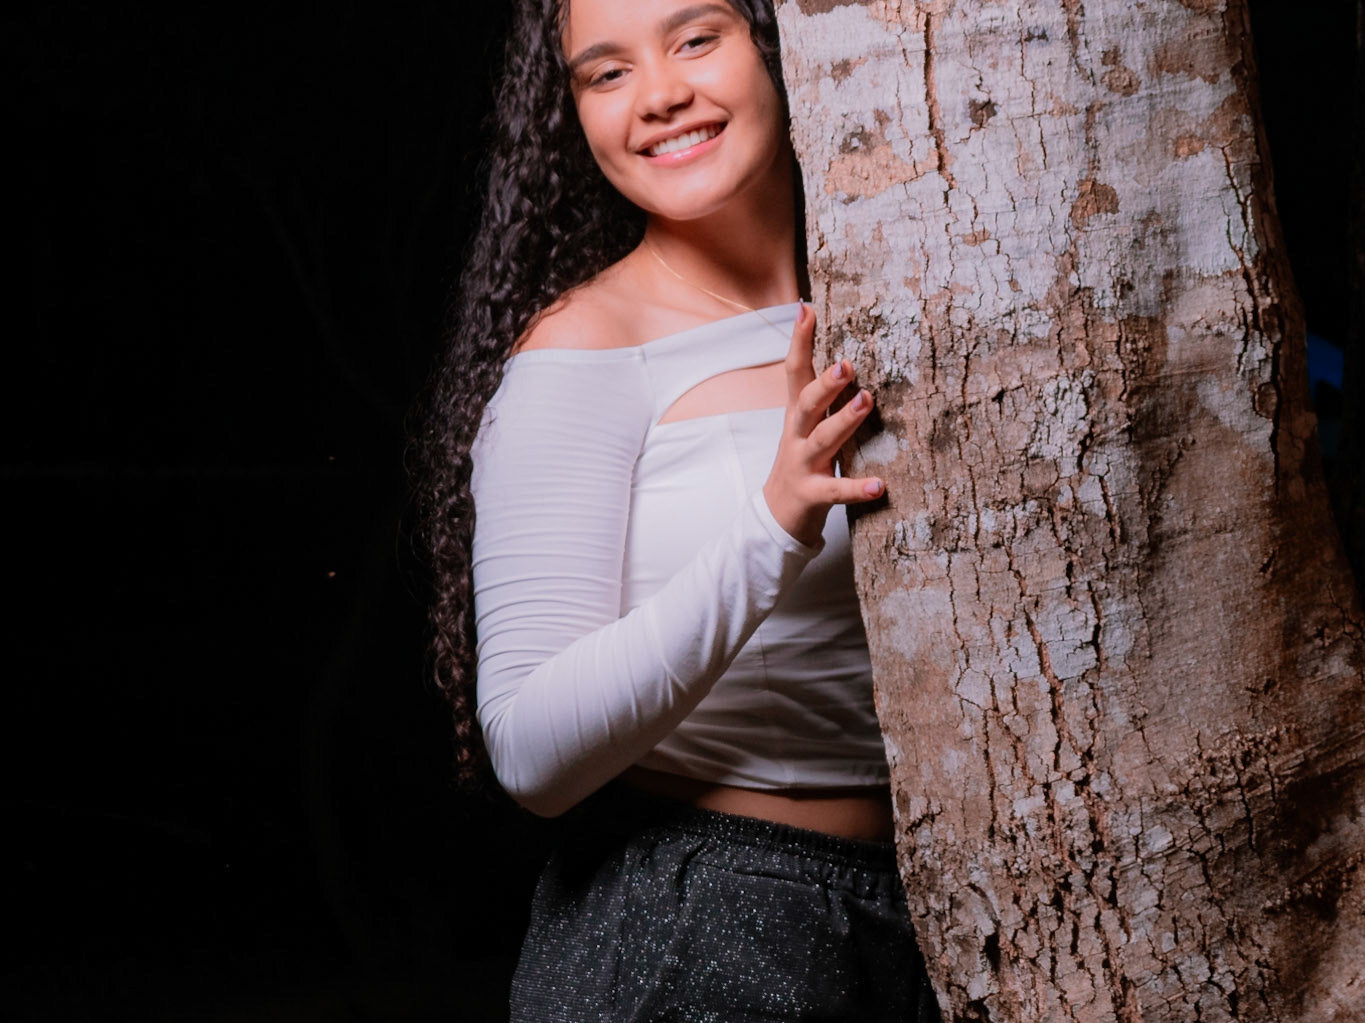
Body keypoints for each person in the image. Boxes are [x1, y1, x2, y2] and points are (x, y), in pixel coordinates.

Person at [416, 0, 943, 1018]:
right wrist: (773, 523)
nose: (658, 95)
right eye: (606, 73)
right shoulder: (584, 352)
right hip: (699, 925)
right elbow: (529, 751)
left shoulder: (909, 288)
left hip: (934, 916)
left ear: (777, 44)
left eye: (696, 40)